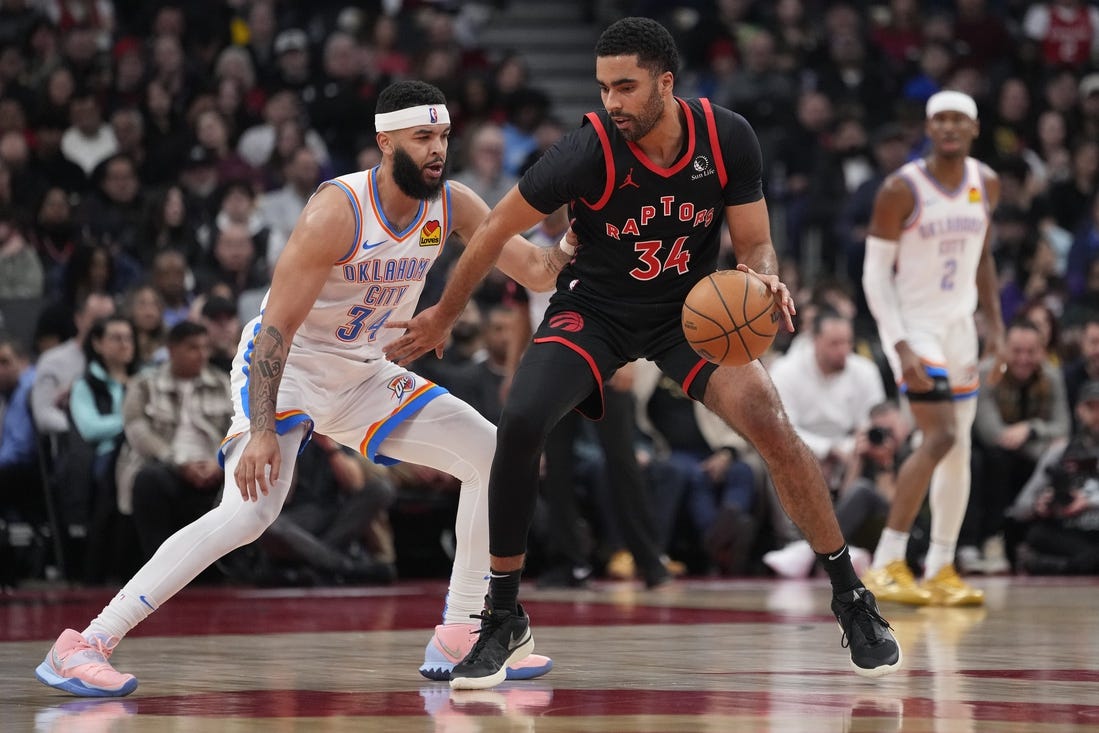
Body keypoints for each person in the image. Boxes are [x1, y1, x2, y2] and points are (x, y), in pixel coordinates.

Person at [384, 18, 901, 687]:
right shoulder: (587, 150)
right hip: (594, 310)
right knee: (519, 422)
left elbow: (754, 241)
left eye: (625, 87)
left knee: (771, 425)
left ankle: (849, 595)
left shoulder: (727, 137)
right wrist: (444, 312)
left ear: (665, 81)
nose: (611, 102)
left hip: (690, 313)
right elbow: (490, 232)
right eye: (603, 88)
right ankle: (503, 616)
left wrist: (759, 274)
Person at [35, 80, 568, 697]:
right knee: (249, 513)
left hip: (363, 371)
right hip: (288, 369)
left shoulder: (451, 204)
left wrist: (576, 237)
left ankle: (460, 630)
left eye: (444, 136)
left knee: (492, 454)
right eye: (423, 137)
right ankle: (87, 643)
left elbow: (534, 270)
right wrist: (261, 429)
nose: (437, 150)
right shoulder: (336, 211)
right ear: (384, 140)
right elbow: (275, 332)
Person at [860, 90, 1004, 607]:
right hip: (916, 327)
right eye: (939, 119)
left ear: (974, 128)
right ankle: (886, 561)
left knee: (960, 447)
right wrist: (899, 345)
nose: (947, 127)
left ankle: (941, 566)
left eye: (957, 119)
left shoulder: (986, 182)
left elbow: (983, 257)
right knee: (939, 436)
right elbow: (875, 276)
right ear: (927, 126)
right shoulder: (902, 187)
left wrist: (998, 329)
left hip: (959, 328)